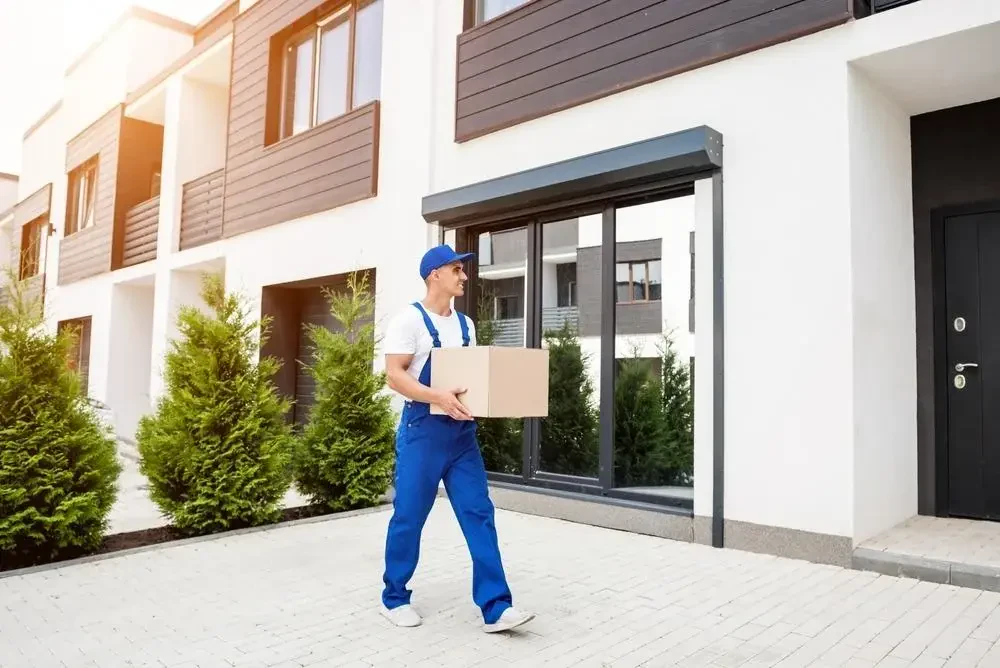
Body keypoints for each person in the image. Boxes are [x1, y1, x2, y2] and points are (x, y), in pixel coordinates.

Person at [378, 244, 534, 633]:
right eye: (456, 269)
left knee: (479, 514)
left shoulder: (466, 325)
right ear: (435, 275)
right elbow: (395, 376)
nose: (464, 276)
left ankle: (496, 606)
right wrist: (438, 398)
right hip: (422, 433)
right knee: (409, 516)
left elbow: (470, 376)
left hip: (462, 435)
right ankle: (394, 597)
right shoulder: (408, 322)